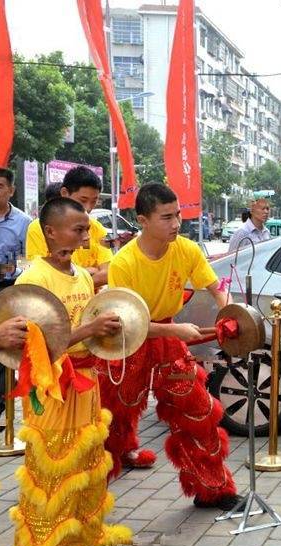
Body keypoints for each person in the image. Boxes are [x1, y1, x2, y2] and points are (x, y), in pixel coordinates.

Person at [5, 198, 131, 546]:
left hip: (86, 380)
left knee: (90, 460)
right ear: (50, 232)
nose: (85, 235)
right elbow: (38, 344)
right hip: (53, 386)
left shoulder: (79, 274)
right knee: (51, 471)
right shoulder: (36, 278)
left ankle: (87, 529)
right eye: (78, 228)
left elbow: (80, 325)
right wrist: (91, 328)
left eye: (86, 228)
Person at [97, 183, 241, 510]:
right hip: (130, 341)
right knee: (111, 420)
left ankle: (213, 489)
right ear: (143, 219)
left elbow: (217, 288)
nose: (176, 223)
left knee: (196, 409)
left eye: (177, 215)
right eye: (166, 217)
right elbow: (127, 323)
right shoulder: (124, 263)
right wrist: (172, 329)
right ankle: (88, 498)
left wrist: (230, 312)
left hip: (168, 340)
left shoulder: (187, 249)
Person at [25, 167, 113, 287]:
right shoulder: (39, 227)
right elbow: (40, 274)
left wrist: (73, 283)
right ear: (65, 193)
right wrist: (89, 272)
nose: (88, 207)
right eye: (83, 200)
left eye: (94, 201)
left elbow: (107, 272)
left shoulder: (97, 228)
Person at [0, 167, 31, 420]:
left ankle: (1, 407)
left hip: (8, 290)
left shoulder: (24, 223)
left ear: (11, 190)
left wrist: (9, 268)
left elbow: (29, 263)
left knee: (4, 350)